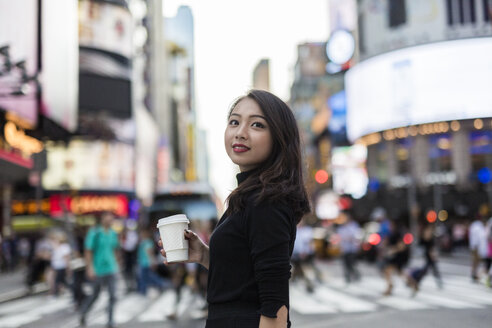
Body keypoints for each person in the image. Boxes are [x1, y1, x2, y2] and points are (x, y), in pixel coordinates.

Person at [159, 90, 310, 327]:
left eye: (257, 125)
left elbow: (275, 304)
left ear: (279, 138)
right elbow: (245, 278)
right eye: (234, 122)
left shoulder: (266, 202)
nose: (240, 133)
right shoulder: (248, 197)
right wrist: (205, 255)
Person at [79, 212, 120, 328]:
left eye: (111, 218)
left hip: (111, 268)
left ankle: (110, 320)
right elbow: (88, 251)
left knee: (113, 295)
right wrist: (90, 268)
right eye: (108, 217)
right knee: (95, 295)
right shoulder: (95, 233)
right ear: (102, 219)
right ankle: (83, 312)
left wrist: (116, 262)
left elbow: (115, 249)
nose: (110, 220)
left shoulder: (113, 233)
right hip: (98, 270)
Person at [136, 228, 170, 296]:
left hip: (146, 263)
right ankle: (161, 285)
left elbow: (150, 253)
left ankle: (162, 284)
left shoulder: (148, 242)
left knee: (147, 277)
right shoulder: (143, 242)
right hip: (142, 263)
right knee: (146, 277)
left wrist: (152, 262)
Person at [337, 212, 361, 284]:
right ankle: (347, 277)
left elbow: (355, 236)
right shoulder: (341, 227)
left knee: (351, 264)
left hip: (352, 248)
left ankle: (356, 275)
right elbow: (340, 237)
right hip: (344, 248)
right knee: (345, 264)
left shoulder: (354, 225)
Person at [468, 215, 488, 282]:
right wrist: (476, 247)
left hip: (476, 246)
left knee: (476, 261)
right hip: (476, 246)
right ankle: (474, 275)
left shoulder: (476, 225)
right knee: (476, 261)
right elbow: (476, 238)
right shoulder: (477, 226)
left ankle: (474, 274)